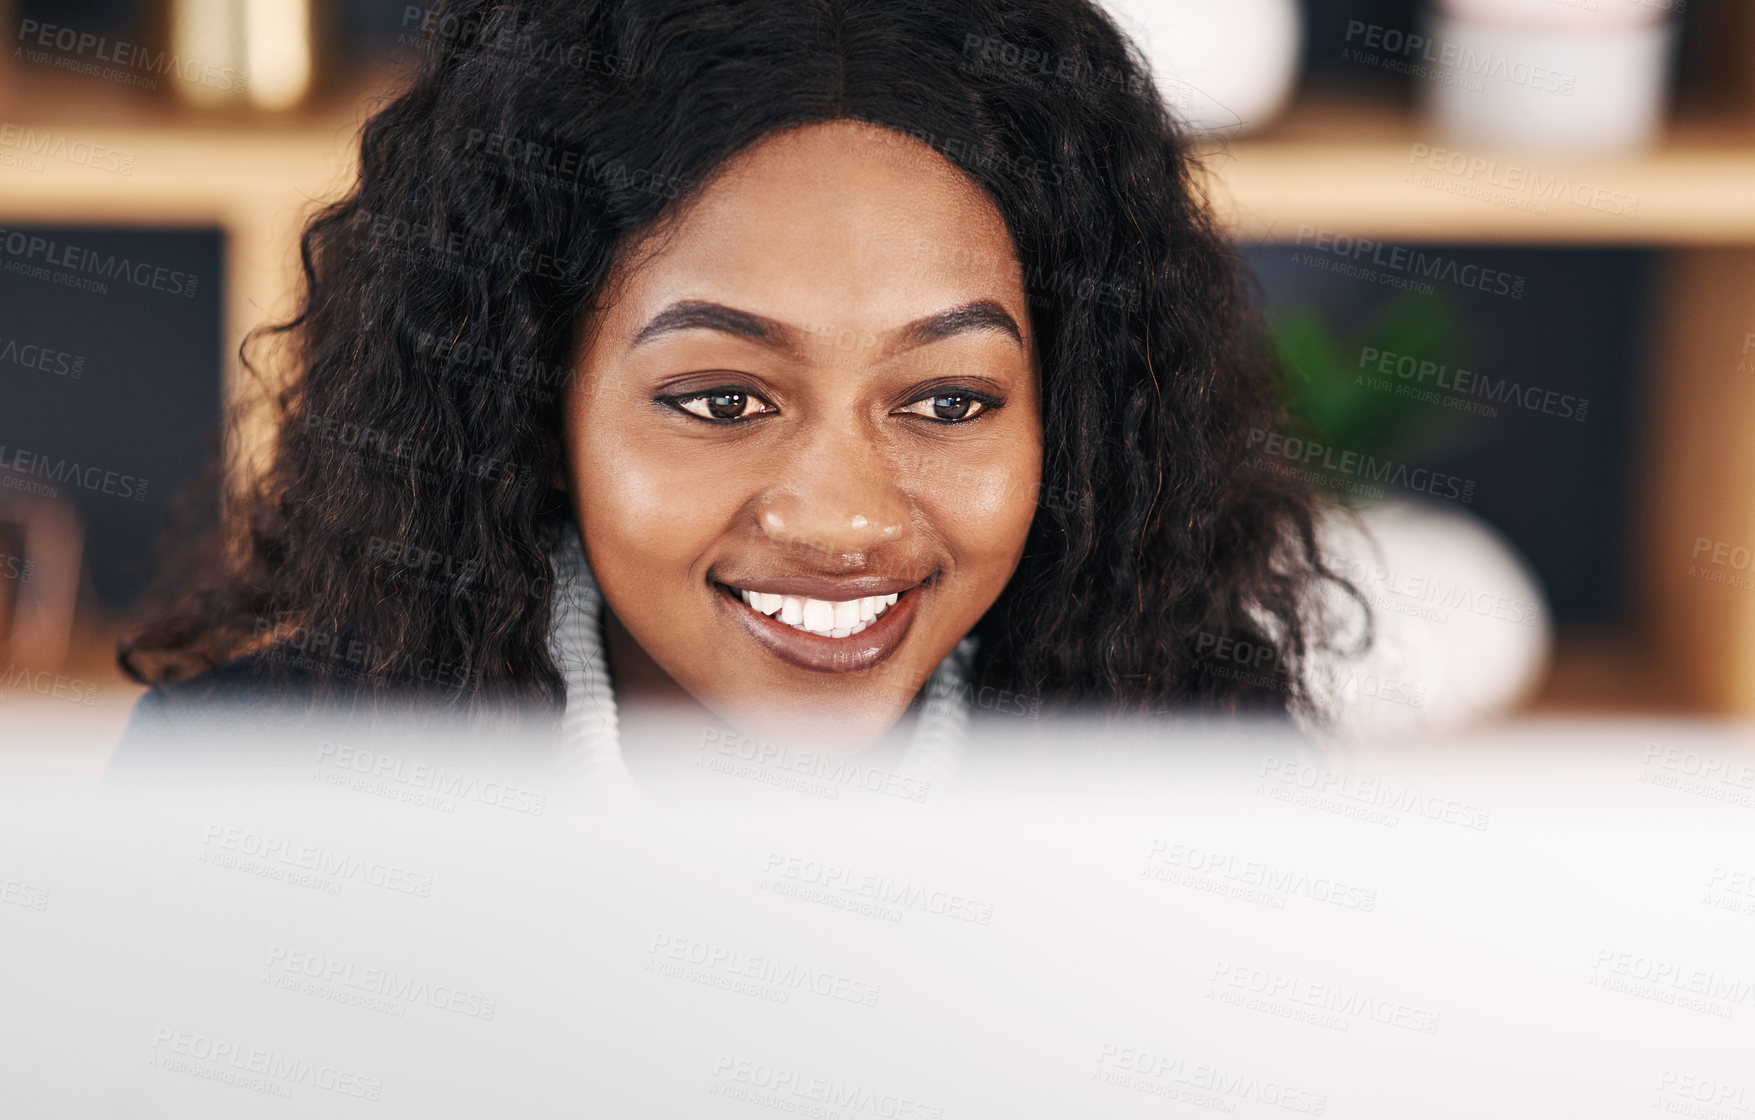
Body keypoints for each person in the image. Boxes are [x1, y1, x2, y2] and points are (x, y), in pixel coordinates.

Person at [113, 0, 1360, 781]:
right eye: (721, 399)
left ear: (1066, 423)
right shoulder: (252, 784)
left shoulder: (1206, 794)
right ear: (535, 412)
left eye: (947, 400)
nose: (845, 521)